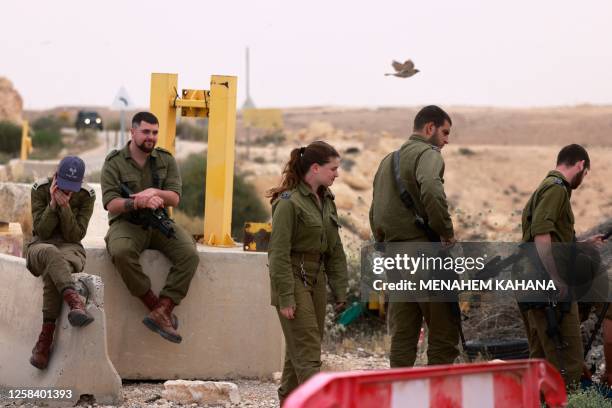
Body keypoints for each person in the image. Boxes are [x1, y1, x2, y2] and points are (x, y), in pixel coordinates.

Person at [369, 105, 459, 367]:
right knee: (443, 335)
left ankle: (399, 398)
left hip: (395, 258)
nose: (446, 140)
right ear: (429, 128)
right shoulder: (429, 154)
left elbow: (375, 210)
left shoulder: (388, 160)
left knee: (403, 336)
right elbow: (431, 189)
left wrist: (383, 245)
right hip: (424, 255)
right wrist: (446, 232)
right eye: (444, 132)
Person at [101, 111, 199, 344]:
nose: (151, 137)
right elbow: (110, 204)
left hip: (159, 222)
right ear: (132, 131)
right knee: (121, 252)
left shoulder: (165, 159)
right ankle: (155, 307)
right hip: (127, 223)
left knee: (189, 254)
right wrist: (137, 202)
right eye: (145, 131)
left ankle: (165, 307)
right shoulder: (114, 162)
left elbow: (174, 198)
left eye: (155, 132)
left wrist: (155, 193)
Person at [266, 141, 348, 405]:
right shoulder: (288, 203)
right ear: (315, 168)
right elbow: (277, 254)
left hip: (317, 278)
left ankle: (288, 401)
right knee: (309, 350)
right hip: (292, 277)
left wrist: (340, 289)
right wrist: (286, 297)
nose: (337, 174)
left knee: (298, 349)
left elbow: (335, 250)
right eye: (333, 168)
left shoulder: (327, 200)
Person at [519, 144, 604, 387]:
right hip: (547, 288)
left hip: (533, 284)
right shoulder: (557, 189)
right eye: (585, 173)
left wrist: (582, 244)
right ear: (580, 165)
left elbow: (551, 236)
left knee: (542, 362)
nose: (583, 179)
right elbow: (541, 234)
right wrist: (556, 278)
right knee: (567, 368)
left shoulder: (545, 188)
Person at [26, 155, 96, 369]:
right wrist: (53, 204)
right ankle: (75, 302)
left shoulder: (86, 196)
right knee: (51, 253)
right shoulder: (39, 189)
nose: (67, 192)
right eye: (63, 186)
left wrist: (66, 209)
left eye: (71, 188)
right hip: (40, 246)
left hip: (71, 248)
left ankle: (44, 341)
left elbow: (75, 236)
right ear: (56, 176)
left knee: (56, 267)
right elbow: (42, 231)